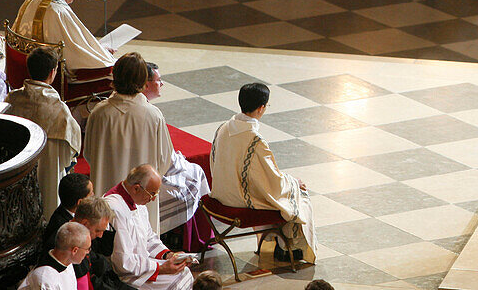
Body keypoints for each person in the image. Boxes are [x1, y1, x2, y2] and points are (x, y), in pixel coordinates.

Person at [211, 83, 317, 264]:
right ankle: (287, 249)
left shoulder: (223, 127)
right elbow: (273, 183)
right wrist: (293, 182)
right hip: (238, 201)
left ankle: (271, 244)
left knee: (283, 192)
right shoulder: (255, 141)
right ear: (261, 108)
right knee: (298, 196)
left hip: (220, 194)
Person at [86, 53, 174, 233]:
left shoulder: (99, 113)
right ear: (143, 80)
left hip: (107, 193)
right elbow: (164, 160)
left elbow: (89, 154)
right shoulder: (153, 115)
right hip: (143, 197)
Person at [5, 47, 82, 222]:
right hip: (49, 175)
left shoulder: (12, 100)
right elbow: (68, 155)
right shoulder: (59, 109)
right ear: (53, 72)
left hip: (16, 176)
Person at [141, 63, 210, 233]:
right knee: (196, 172)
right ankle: (194, 237)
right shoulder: (152, 114)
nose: (162, 84)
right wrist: (179, 160)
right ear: (146, 84)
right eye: (159, 80)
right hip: (151, 176)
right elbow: (165, 160)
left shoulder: (105, 109)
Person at [103, 165, 194, 290]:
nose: (153, 199)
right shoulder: (115, 208)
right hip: (128, 275)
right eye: (152, 194)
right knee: (179, 279)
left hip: (143, 265)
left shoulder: (137, 201)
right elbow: (123, 261)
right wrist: (161, 268)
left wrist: (168, 255)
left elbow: (149, 237)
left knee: (184, 272)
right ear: (136, 188)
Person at [17, 221, 89, 290]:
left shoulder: (68, 262)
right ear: (74, 250)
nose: (88, 252)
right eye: (87, 249)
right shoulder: (45, 278)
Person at [43, 173, 93, 254]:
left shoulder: (65, 212)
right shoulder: (64, 230)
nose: (93, 196)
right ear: (80, 202)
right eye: (91, 194)